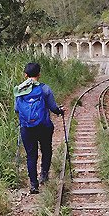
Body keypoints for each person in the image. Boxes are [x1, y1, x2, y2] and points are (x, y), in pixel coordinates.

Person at [14, 62, 64, 194]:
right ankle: (44, 175)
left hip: (26, 128)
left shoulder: (19, 90)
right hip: (44, 126)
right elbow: (53, 108)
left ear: (25, 75)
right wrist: (60, 112)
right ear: (39, 74)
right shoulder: (45, 89)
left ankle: (33, 184)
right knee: (46, 150)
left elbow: (16, 109)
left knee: (31, 155)